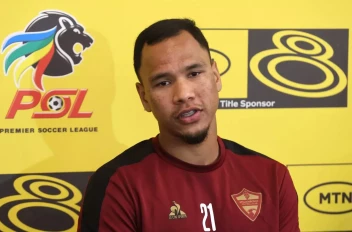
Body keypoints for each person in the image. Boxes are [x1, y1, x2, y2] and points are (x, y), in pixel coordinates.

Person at [77, 18, 300, 232]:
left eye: (194, 73)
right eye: (163, 82)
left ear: (216, 75)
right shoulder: (116, 185)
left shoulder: (272, 178)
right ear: (144, 96)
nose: (183, 94)